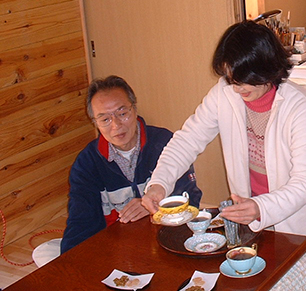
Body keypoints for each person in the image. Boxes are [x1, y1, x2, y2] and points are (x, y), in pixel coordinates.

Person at [142, 20, 306, 263]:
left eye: (245, 79)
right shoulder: (224, 92)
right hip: (248, 217)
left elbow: (305, 181)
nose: (237, 88)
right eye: (231, 78)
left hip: (296, 221)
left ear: (268, 69)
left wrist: (261, 207)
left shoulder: (300, 107)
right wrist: (159, 183)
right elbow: (187, 140)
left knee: (288, 289)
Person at [61, 76, 202, 253]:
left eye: (122, 113)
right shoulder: (87, 163)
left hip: (165, 240)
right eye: (104, 119)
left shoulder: (165, 143)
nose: (116, 125)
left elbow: (191, 200)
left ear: (134, 109)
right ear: (95, 123)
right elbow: (81, 223)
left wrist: (154, 210)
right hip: (118, 248)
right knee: (50, 254)